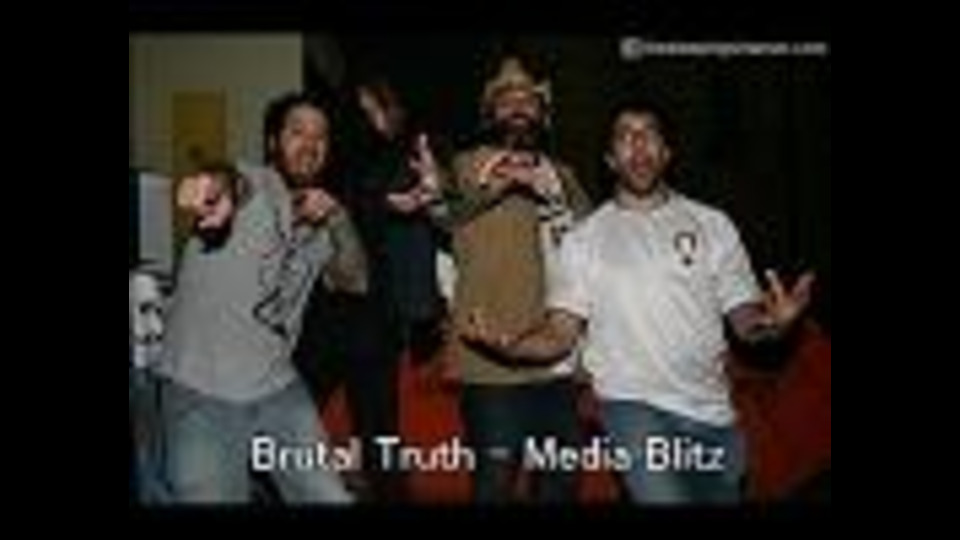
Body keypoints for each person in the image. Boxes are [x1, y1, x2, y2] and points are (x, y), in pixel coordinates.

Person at [461, 100, 815, 504]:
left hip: (711, 413)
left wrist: (774, 325)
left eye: (649, 134)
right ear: (611, 159)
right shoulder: (584, 240)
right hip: (631, 407)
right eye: (625, 137)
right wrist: (512, 345)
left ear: (666, 153)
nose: (638, 144)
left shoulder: (713, 224)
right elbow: (559, 333)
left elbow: (744, 321)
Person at [155, 91, 366, 504]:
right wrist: (212, 189)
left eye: (320, 136)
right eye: (297, 132)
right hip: (200, 390)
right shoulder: (254, 183)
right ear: (272, 143)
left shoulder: (321, 223)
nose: (310, 144)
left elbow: (355, 280)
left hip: (277, 387)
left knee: (329, 497)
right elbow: (228, 179)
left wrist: (338, 217)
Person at [406, 56, 592, 503]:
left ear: (543, 113)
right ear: (490, 112)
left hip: (557, 362)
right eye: (506, 99)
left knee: (561, 483)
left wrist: (555, 193)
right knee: (495, 484)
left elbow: (594, 239)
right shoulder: (465, 166)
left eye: (529, 99)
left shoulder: (564, 173)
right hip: (489, 360)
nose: (519, 106)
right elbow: (446, 214)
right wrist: (485, 190)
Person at [291, 77, 446, 501]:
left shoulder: (405, 157)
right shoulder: (333, 158)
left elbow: (424, 197)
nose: (373, 119)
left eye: (380, 108)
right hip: (324, 315)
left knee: (380, 439)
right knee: (288, 427)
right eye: (363, 111)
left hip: (376, 318)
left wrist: (420, 195)